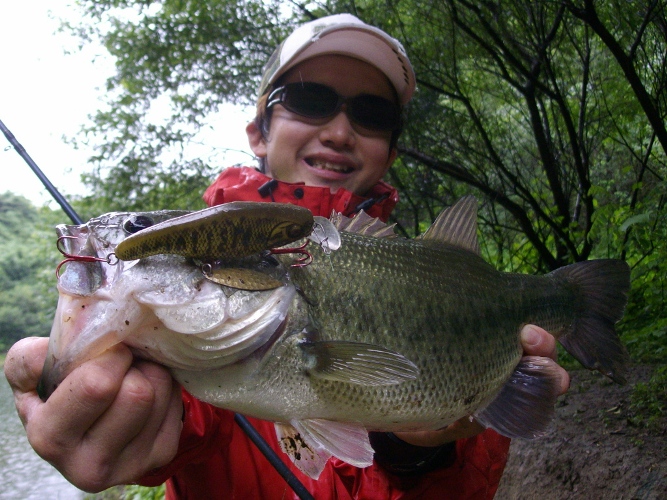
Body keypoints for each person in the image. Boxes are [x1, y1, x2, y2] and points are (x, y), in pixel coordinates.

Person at [4, 14, 570, 499]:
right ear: (259, 131)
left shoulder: (420, 268)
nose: (341, 130)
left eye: (372, 114)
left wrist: (418, 450)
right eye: (310, 99)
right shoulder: (187, 299)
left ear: (391, 148)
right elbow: (191, 416)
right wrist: (137, 428)